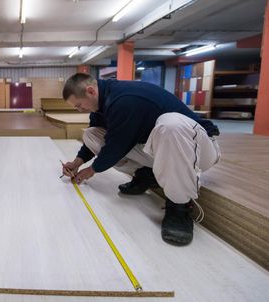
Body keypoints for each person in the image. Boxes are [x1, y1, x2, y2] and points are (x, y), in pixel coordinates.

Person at [61, 73, 220, 246]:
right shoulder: (101, 107)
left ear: (90, 91)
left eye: (78, 105)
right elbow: (104, 141)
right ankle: (147, 174)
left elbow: (116, 146)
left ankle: (179, 206)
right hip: (163, 151)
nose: (79, 110)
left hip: (198, 151)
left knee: (170, 125)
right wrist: (77, 162)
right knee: (92, 135)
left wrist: (90, 171)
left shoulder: (124, 99)